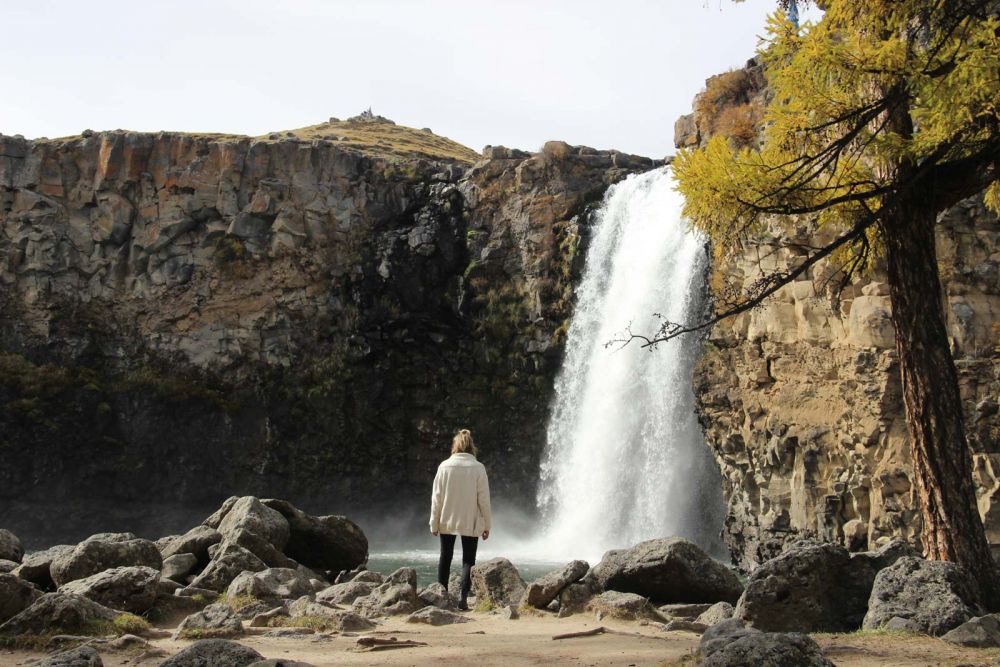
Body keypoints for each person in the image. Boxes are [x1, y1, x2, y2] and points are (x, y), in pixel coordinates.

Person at [429, 428, 492, 611]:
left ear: (455, 446)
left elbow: (436, 498)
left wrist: (434, 522)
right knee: (468, 559)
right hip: (470, 520)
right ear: (472, 447)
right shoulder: (478, 468)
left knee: (445, 556)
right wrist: (487, 525)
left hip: (447, 519)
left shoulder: (444, 467)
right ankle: (463, 598)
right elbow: (484, 500)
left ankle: (442, 596)